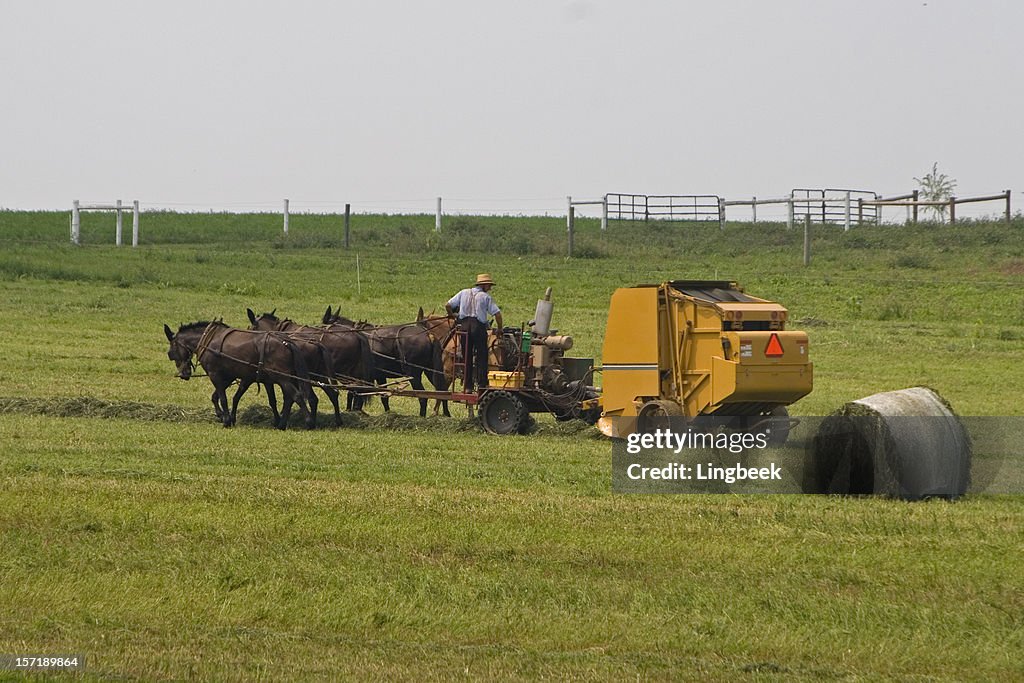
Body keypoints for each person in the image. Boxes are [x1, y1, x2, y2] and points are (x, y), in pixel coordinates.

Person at [446, 273, 503, 392]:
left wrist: (453, 315)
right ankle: (482, 384)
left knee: (466, 356)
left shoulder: (463, 292)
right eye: (489, 285)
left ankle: (468, 386)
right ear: (484, 285)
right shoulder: (485, 297)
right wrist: (500, 328)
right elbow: (497, 314)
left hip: (464, 327)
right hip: (478, 327)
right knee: (482, 355)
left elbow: (448, 305)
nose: (490, 288)